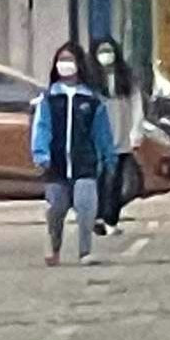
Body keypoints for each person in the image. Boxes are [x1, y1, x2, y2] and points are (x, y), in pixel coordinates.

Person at [32, 42, 114, 267]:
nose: (65, 65)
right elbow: (42, 128)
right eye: (61, 60)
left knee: (86, 207)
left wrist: (109, 157)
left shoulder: (92, 100)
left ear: (79, 64)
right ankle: (54, 246)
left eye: (69, 60)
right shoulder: (49, 99)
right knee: (56, 210)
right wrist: (41, 154)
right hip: (56, 165)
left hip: (85, 163)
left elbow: (102, 132)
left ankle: (85, 251)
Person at [91, 37, 144, 234]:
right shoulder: (90, 78)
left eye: (109, 51)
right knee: (101, 178)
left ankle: (110, 219)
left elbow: (136, 106)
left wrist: (136, 131)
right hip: (99, 137)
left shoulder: (126, 77)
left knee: (118, 182)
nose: (106, 55)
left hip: (122, 134)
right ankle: (98, 217)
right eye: (102, 51)